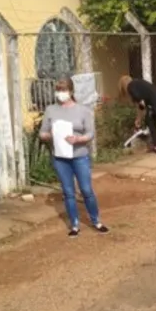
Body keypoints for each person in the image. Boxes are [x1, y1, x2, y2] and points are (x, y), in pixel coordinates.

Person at [39, 76, 110, 237]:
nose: (60, 93)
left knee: (86, 189)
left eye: (63, 90)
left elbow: (90, 133)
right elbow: (42, 133)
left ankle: (96, 220)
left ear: (71, 91)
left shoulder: (83, 110)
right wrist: (50, 135)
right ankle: (75, 225)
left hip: (79, 155)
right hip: (60, 157)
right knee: (68, 192)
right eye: (58, 90)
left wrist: (78, 139)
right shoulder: (51, 110)